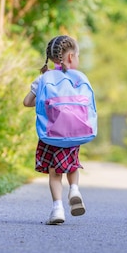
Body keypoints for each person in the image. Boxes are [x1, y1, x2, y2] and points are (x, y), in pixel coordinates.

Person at [23, 35, 88, 225]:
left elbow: (27, 102)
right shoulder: (77, 78)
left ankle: (57, 208)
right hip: (74, 132)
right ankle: (74, 189)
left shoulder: (44, 78)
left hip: (51, 134)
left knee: (55, 173)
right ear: (70, 58)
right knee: (73, 165)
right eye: (77, 56)